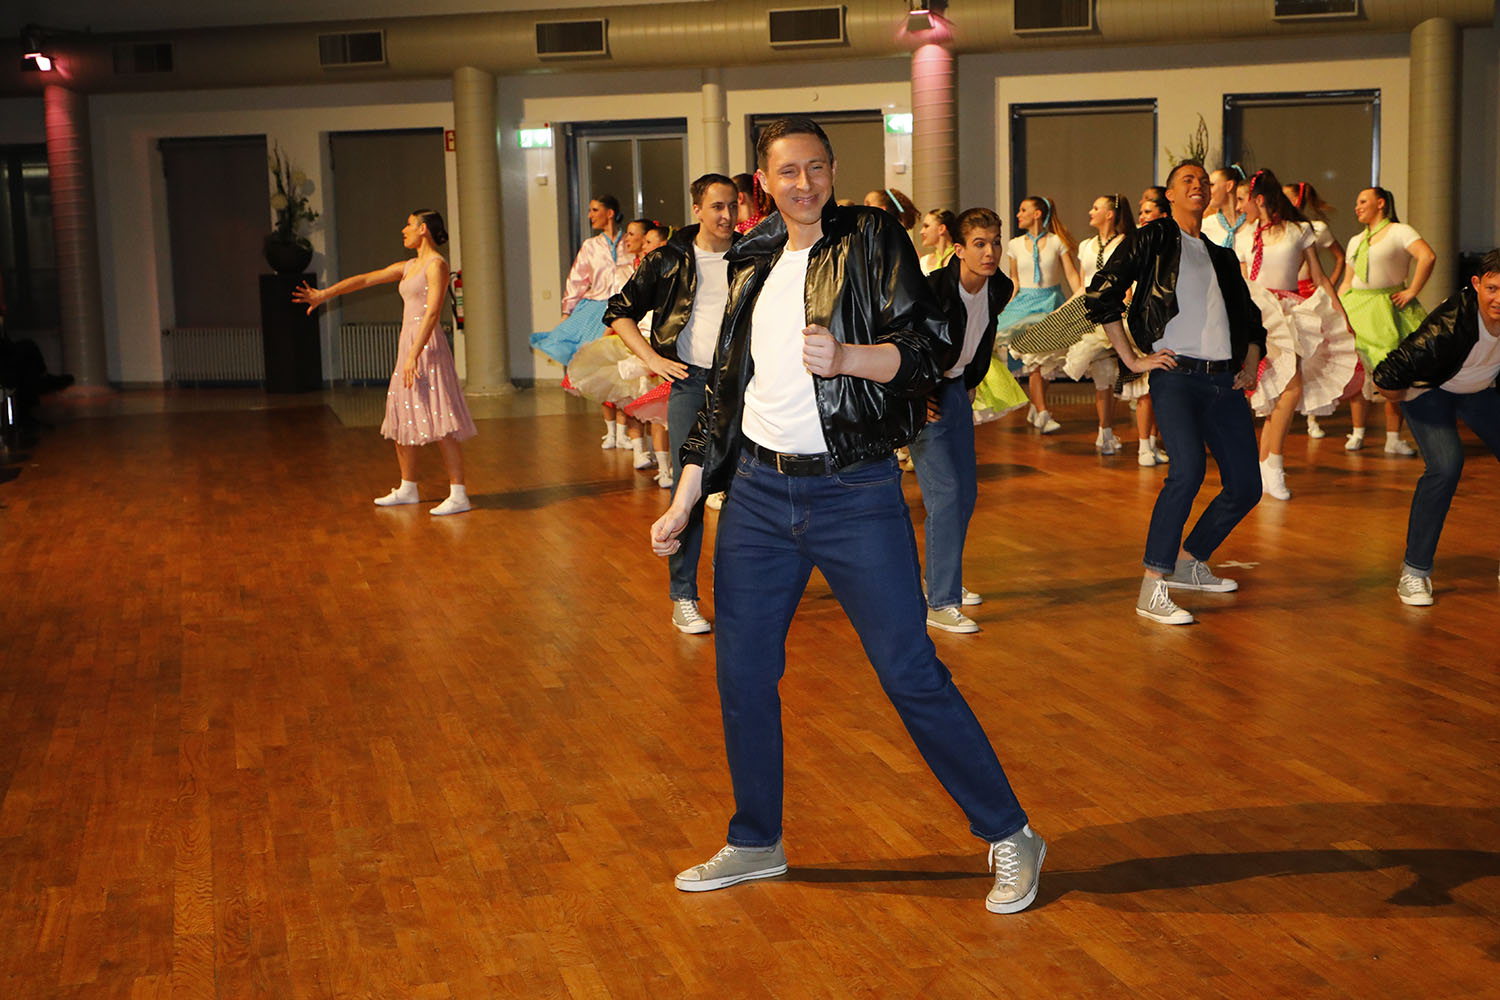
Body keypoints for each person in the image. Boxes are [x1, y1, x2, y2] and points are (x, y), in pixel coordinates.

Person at [652, 117, 1043, 913]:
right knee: (742, 673)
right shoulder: (751, 258)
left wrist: (848, 358)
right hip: (757, 495)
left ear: (832, 171)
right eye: (787, 171)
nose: (804, 183)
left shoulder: (870, 238)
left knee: (908, 670)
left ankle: (1011, 833)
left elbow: (927, 351)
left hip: (854, 492)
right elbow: (725, 391)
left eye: (816, 167)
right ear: (764, 182)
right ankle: (757, 839)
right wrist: (687, 494)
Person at [1085, 162, 1266, 626]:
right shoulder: (1154, 237)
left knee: (1246, 486)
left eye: (1204, 181)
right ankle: (1153, 586)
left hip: (1223, 382)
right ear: (1168, 194)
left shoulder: (1221, 256)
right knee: (1186, 472)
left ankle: (1189, 562)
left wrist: (1249, 364)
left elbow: (1252, 319)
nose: (1198, 186)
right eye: (1188, 180)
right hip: (1177, 377)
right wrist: (1131, 359)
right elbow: (1102, 295)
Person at [603, 173, 740, 634]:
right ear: (697, 209)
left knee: (743, 490)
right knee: (689, 488)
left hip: (742, 386)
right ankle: (684, 596)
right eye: (717, 206)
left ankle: (736, 590)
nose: (727, 215)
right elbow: (619, 311)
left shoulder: (752, 256)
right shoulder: (667, 259)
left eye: (733, 206)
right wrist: (652, 359)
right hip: (691, 383)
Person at [293, 210, 476, 515]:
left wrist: (414, 354)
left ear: (424, 229)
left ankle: (459, 494)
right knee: (403, 413)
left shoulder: (437, 265)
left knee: (440, 419)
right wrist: (324, 294)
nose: (404, 229)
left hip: (427, 347)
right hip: (409, 346)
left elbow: (432, 313)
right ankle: (408, 487)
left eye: (410, 224)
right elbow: (366, 279)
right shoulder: (409, 266)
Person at [1372, 249, 1500, 606]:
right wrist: (1406, 393)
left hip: (1479, 391)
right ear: (1476, 285)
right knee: (1445, 466)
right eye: (1492, 289)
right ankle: (1415, 572)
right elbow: (1385, 375)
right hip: (1432, 392)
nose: (1499, 299)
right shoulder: (1450, 322)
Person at [911, 208, 1015, 634]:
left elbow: (981, 336)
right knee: (946, 494)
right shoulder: (932, 289)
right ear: (958, 250)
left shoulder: (1000, 287)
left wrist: (969, 382)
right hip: (925, 395)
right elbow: (904, 343)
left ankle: (941, 577)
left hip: (956, 391)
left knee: (966, 494)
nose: (990, 252)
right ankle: (941, 601)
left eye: (995, 243)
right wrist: (916, 397)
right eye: (979, 244)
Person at [1233, 169, 1357, 501]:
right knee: (1283, 390)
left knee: (1287, 389)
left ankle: (1269, 466)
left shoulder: (1298, 231)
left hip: (1289, 312)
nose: (1240, 206)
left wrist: (1341, 315)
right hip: (1259, 315)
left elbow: (1319, 277)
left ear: (1260, 199)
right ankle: (1269, 466)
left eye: (1244, 199)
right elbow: (1242, 283)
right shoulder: (1244, 237)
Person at [530, 194, 635, 445]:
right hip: (596, 310)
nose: (590, 215)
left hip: (626, 311)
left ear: (610, 213)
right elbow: (576, 280)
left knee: (623, 370)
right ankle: (611, 431)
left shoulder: (629, 243)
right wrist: (567, 313)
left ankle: (624, 432)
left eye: (595, 209)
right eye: (590, 210)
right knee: (601, 368)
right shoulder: (590, 246)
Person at [1338, 186, 1436, 455]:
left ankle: (1393, 437)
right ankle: (1358, 432)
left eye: (1363, 201)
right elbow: (1347, 281)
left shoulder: (1399, 231)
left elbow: (1427, 256)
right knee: (1359, 373)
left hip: (1387, 309)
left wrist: (1412, 290)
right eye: (1357, 202)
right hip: (1357, 308)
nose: (1357, 207)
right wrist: (1338, 310)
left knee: (1392, 373)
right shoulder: (1356, 240)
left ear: (1381, 203)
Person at [998, 196, 1082, 432]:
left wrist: (1082, 298)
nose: (1018, 215)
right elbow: (1015, 279)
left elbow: (1071, 274)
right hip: (1025, 304)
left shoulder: (1056, 242)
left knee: (1046, 362)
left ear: (1037, 214)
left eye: (1023, 210)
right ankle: (1042, 412)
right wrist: (1006, 304)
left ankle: (1037, 407)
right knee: (1035, 359)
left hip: (1050, 303)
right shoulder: (1014, 245)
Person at [1284, 180, 1347, 438]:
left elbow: (1340, 257)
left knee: (1313, 354)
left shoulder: (1315, 228)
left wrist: (1328, 284)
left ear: (1295, 201)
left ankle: (1312, 417)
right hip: (1286, 293)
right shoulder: (1278, 229)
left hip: (1309, 293)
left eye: (1285, 196)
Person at [1200, 164, 1248, 249]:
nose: (1207, 190)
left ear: (1229, 186)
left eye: (1211, 185)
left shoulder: (1254, 225)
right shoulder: (1205, 227)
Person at [919, 208, 957, 275]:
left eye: (926, 226)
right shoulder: (924, 261)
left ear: (941, 229)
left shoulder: (960, 258)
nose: (921, 232)